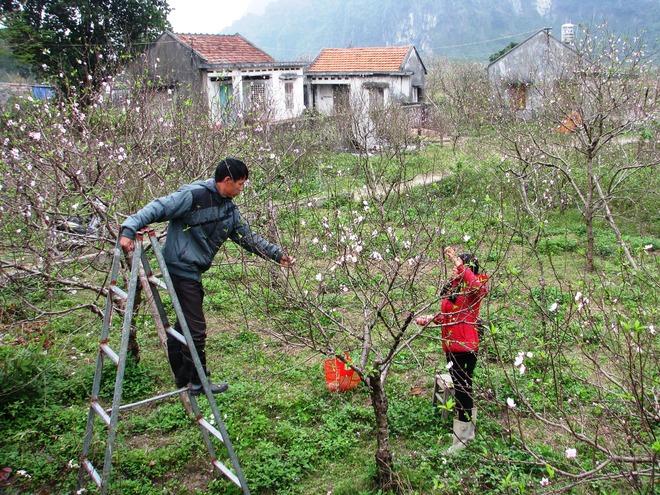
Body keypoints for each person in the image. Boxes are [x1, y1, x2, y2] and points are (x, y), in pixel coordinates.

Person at [119, 157, 294, 395]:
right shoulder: (193, 196)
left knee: (184, 324)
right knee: (197, 328)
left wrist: (276, 255)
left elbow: (247, 237)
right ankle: (198, 383)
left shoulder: (229, 209)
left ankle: (183, 376)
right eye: (240, 184)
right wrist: (129, 228)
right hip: (181, 266)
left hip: (193, 267)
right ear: (227, 180)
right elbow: (158, 207)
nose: (242, 189)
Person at [416, 246, 489, 454]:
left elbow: (477, 288)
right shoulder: (454, 287)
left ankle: (465, 437)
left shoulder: (475, 285)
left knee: (463, 389)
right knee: (460, 387)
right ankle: (462, 431)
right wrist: (430, 319)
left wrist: (458, 263)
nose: (453, 270)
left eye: (457, 267)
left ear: (466, 268)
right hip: (450, 345)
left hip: (465, 347)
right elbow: (449, 315)